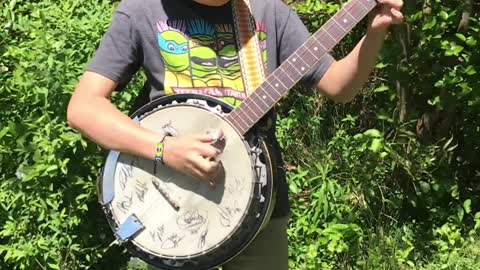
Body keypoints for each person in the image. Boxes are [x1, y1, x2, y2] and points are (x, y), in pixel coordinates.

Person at [67, 0, 403, 269]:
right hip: (166, 210)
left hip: (257, 208)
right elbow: (83, 108)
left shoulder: (270, 13)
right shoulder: (141, 11)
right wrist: (164, 150)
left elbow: (338, 85)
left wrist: (374, 31)